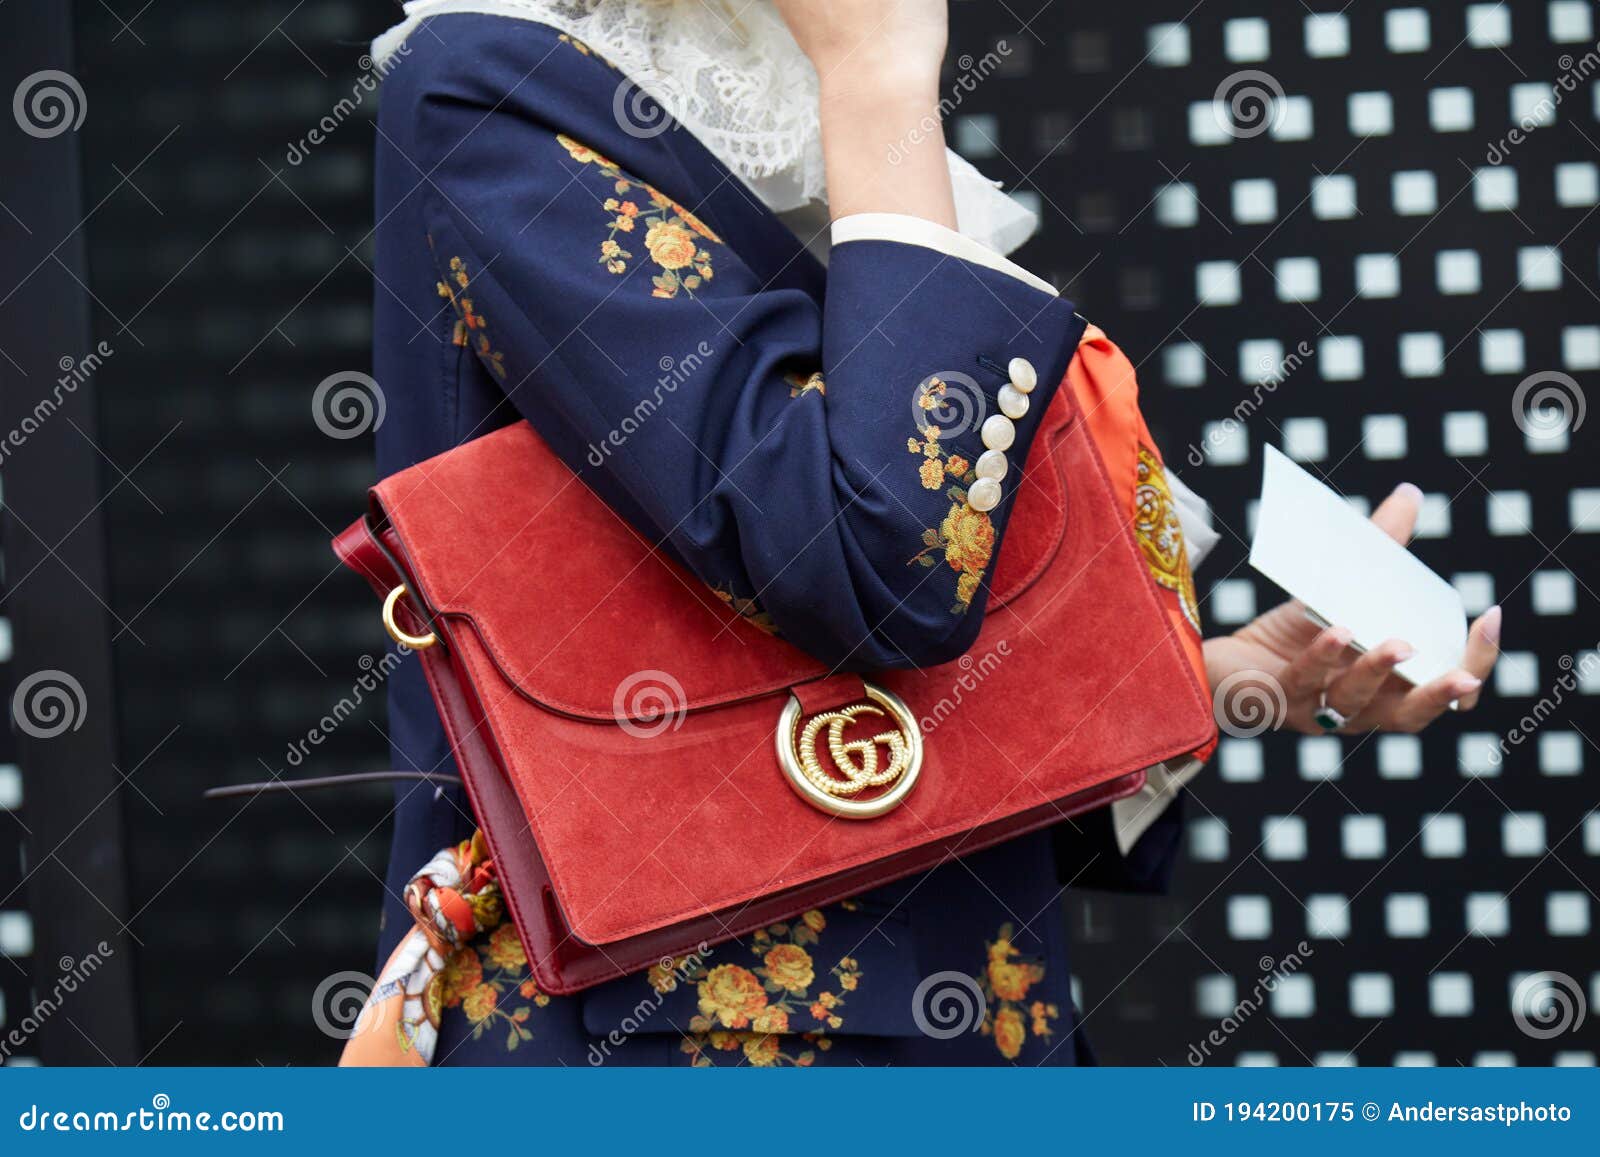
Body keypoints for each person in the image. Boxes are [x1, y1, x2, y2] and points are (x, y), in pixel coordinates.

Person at [351, 0, 1501, 1066]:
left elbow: (864, 652)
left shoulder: (785, 97)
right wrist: (877, 79)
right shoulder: (489, 84)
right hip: (664, 1039)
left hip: (970, 1022)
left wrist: (1207, 678)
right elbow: (860, 561)